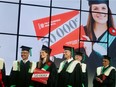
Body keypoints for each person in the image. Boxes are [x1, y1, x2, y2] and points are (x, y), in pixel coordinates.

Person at [81, 0, 116, 74]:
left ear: (108, 11)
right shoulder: (82, 32)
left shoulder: (114, 37)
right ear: (91, 12)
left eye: (103, 8)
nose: (100, 12)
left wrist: (91, 53)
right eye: (95, 9)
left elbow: (113, 66)